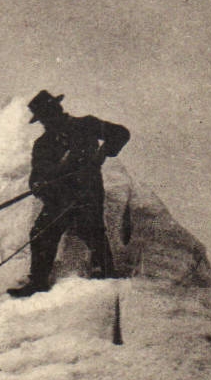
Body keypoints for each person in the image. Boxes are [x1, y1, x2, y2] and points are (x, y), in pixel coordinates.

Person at [8, 90, 131, 298]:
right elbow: (36, 178)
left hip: (87, 193)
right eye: (44, 118)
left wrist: (103, 153)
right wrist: (41, 186)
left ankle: (107, 276)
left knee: (93, 232)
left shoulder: (86, 125)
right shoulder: (43, 145)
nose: (47, 122)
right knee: (41, 234)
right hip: (58, 199)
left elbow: (121, 133)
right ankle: (38, 282)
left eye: (49, 114)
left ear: (57, 109)